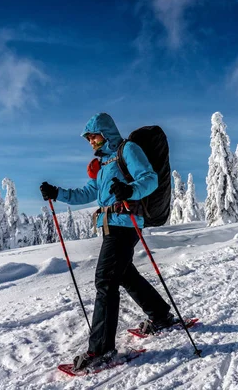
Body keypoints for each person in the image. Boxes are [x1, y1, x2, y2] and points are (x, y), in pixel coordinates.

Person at [40, 112, 175, 371]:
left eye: (93, 136)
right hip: (110, 226)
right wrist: (58, 193)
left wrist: (129, 190)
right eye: (88, 138)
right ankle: (161, 316)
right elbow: (89, 193)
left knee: (105, 280)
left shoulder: (128, 149)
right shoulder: (103, 164)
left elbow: (149, 179)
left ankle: (101, 350)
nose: (90, 141)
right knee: (124, 275)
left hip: (126, 223)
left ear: (106, 133)